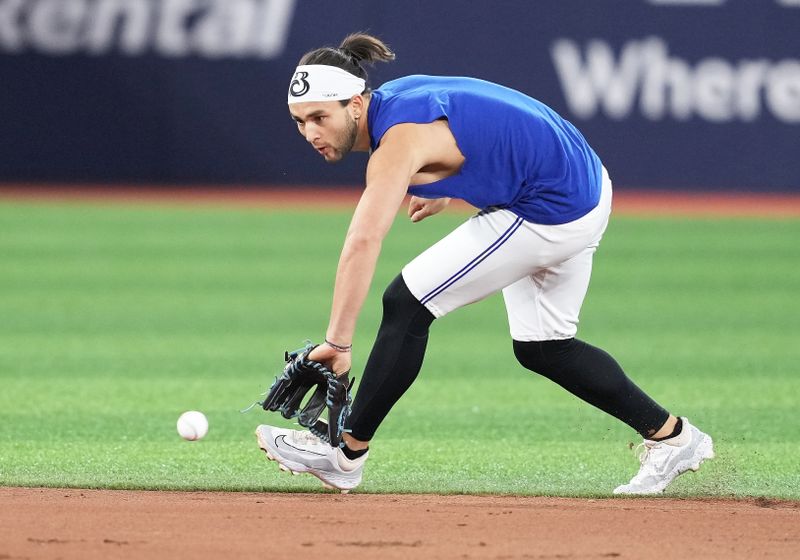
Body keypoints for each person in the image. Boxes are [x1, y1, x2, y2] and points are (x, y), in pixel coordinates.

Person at [255, 33, 714, 495]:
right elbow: (488, 128)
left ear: (355, 104)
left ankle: (345, 452)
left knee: (407, 301)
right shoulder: (395, 101)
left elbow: (363, 239)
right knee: (544, 347)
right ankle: (674, 438)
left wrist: (338, 341)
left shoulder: (397, 142)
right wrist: (456, 185)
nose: (310, 132)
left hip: (550, 207)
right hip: (585, 181)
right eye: (299, 120)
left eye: (320, 116)